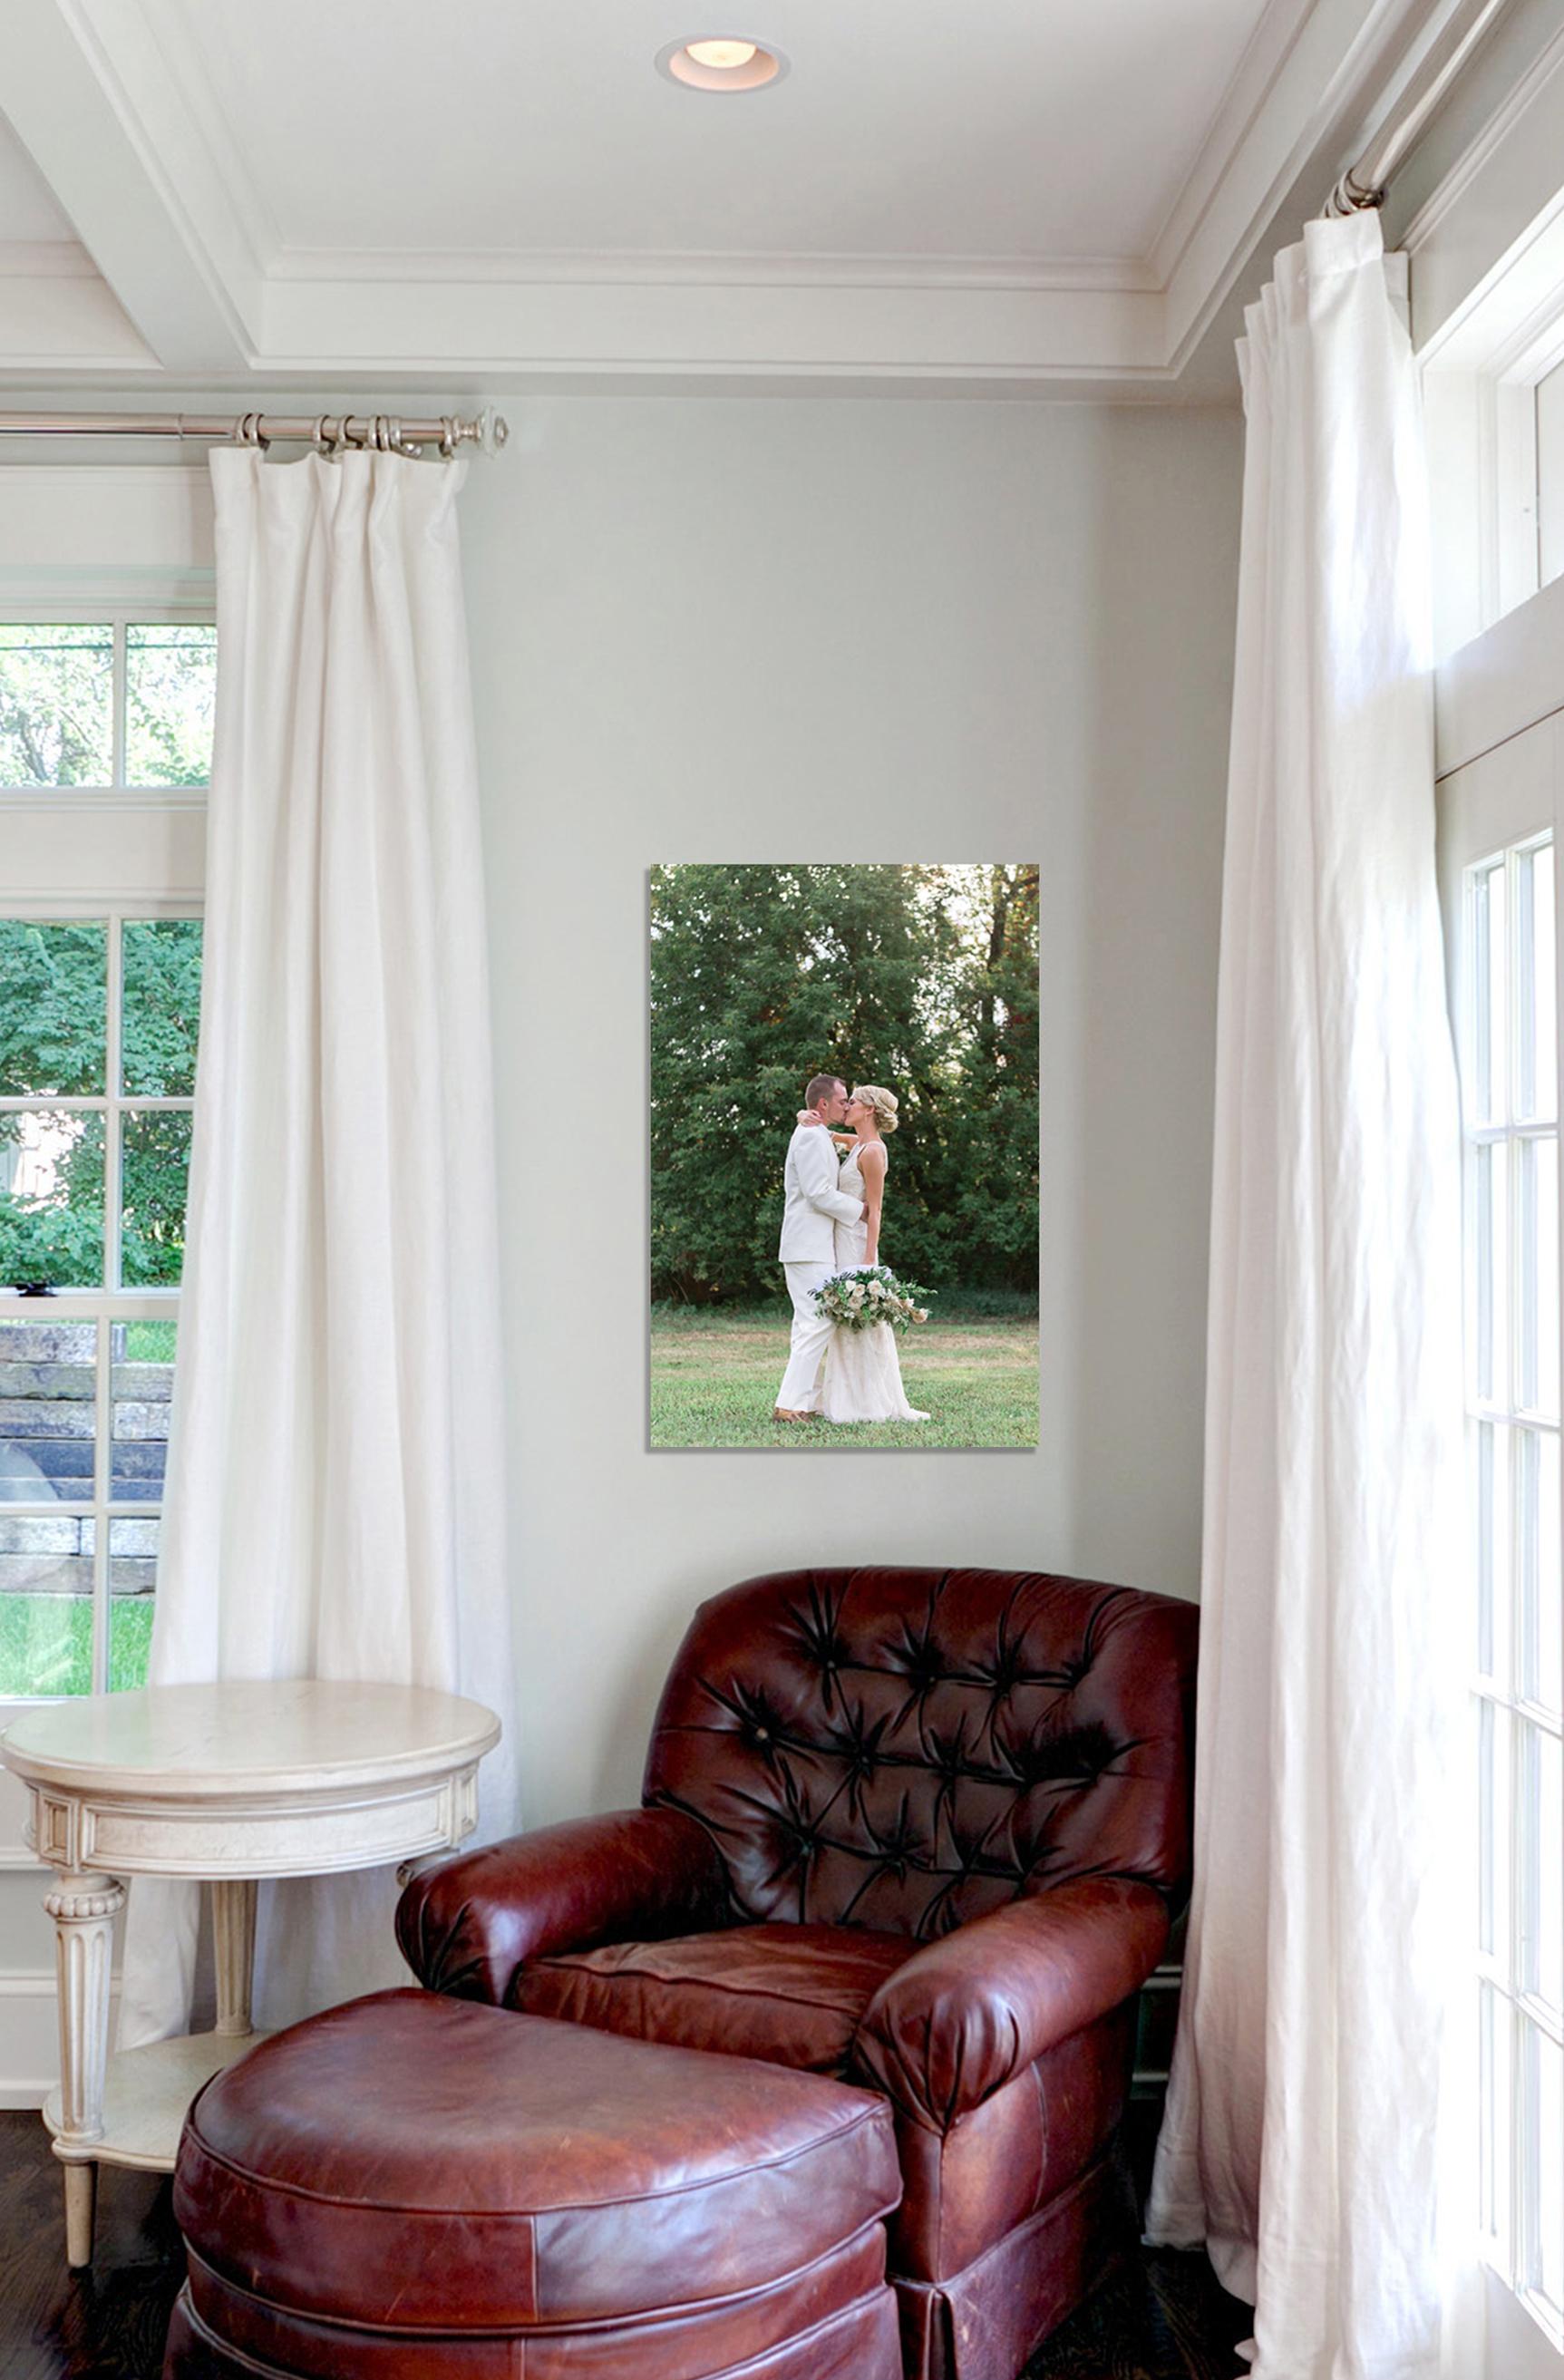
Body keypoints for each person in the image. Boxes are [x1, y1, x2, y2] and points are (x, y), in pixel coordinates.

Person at [805, 1084, 930, 1426]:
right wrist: (804, 1115)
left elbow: (875, 1210)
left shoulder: (874, 1151)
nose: (847, 1106)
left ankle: (867, 1401)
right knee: (842, 1317)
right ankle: (844, 1396)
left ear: (870, 1109)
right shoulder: (857, 1143)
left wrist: (869, 1258)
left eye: (854, 1102)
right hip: (839, 1239)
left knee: (860, 1319)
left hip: (856, 1243)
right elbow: (827, 1133)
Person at [772, 1074, 867, 1422]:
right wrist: (861, 1211)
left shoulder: (817, 1132)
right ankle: (789, 1404)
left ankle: (805, 1402)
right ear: (823, 1103)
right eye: (843, 1101)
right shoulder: (811, 1136)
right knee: (819, 1320)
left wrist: (803, 1115)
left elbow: (864, 1140)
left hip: (810, 1245)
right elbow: (817, 1192)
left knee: (807, 1325)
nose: (847, 1105)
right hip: (808, 1245)